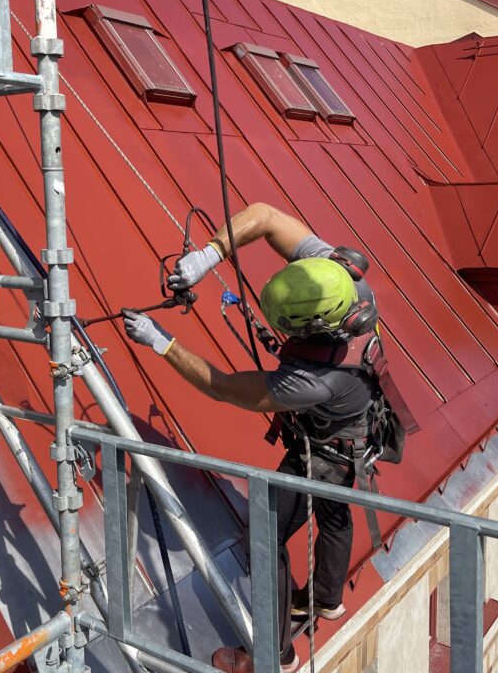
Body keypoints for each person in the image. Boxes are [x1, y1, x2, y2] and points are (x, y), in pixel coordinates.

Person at [122, 202, 383, 673]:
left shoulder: (310, 381)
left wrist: (162, 342)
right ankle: (326, 599)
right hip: (357, 434)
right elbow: (264, 215)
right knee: (336, 509)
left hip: (324, 449)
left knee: (264, 534)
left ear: (312, 327)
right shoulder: (341, 279)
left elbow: (222, 387)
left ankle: (273, 655)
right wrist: (208, 255)